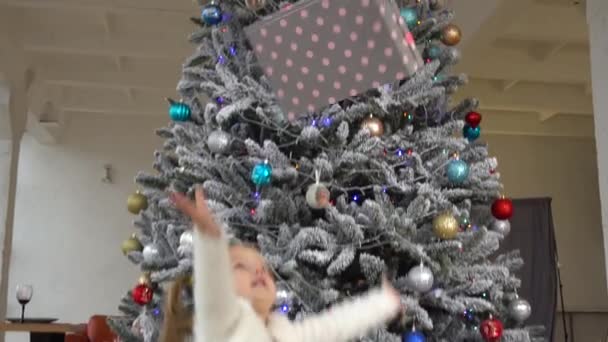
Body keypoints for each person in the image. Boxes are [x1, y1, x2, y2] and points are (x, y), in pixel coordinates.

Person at [168, 187, 403, 342]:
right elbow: (212, 292)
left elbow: (331, 326)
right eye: (240, 266)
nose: (259, 270)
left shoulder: (283, 332)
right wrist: (209, 238)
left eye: (263, 267)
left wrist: (382, 304)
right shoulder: (220, 325)